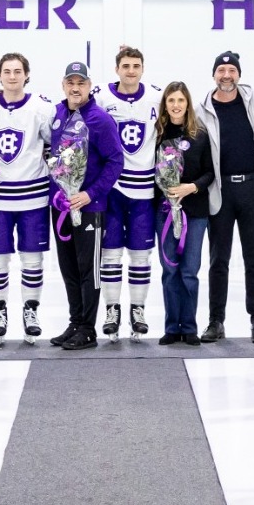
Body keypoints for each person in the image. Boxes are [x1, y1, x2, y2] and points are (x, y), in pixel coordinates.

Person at [195, 51, 254, 343]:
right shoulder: (201, 108)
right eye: (221, 70)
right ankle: (216, 321)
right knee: (218, 260)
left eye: (231, 70)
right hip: (221, 190)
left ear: (238, 74)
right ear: (214, 74)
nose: (226, 75)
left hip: (253, 188)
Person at [0, 53, 56, 343]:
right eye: (7, 71)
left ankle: (30, 310)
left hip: (33, 197)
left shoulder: (41, 107)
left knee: (32, 260)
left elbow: (53, 144)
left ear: (27, 75)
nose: (12, 76)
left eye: (18, 71)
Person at [45, 62, 124, 351]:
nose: (75, 88)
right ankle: (75, 321)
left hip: (89, 208)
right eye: (70, 82)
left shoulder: (100, 120)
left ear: (90, 86)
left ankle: (88, 329)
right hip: (61, 206)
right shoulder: (55, 114)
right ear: (63, 85)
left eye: (81, 83)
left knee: (88, 268)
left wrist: (90, 194)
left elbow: (116, 162)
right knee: (68, 267)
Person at [94, 46, 162, 341]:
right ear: (117, 69)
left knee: (140, 254)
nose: (131, 71)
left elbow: (184, 108)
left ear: (143, 69)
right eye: (126, 66)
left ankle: (138, 308)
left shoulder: (156, 96)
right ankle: (112, 309)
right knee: (110, 253)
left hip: (144, 190)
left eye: (136, 66)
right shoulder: (101, 96)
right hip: (112, 189)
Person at [155, 83, 214, 346]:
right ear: (165, 105)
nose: (176, 105)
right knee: (170, 270)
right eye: (171, 101)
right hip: (165, 212)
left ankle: (189, 326)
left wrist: (192, 187)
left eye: (180, 100)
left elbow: (211, 172)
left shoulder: (199, 134)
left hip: (195, 211)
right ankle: (171, 327)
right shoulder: (156, 134)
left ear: (188, 103)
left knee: (189, 271)